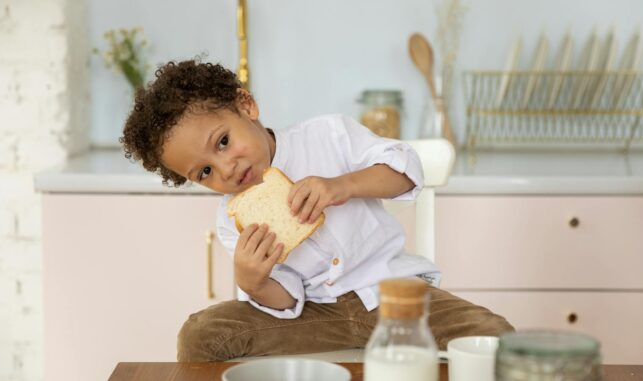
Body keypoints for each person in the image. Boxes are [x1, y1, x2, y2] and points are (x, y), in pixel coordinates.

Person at [120, 59, 513, 362]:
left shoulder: (327, 135)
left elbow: (407, 171)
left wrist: (343, 185)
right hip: (314, 318)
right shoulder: (232, 221)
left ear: (247, 105)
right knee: (202, 335)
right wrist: (254, 282)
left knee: (497, 338)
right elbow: (287, 301)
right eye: (204, 172)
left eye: (223, 142)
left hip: (392, 297)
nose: (225, 169)